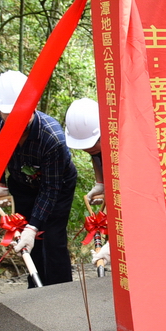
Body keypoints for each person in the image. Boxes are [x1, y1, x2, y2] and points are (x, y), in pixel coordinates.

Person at [0, 70, 78, 287]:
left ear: (33, 106)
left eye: (22, 113)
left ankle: (61, 294)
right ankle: (37, 292)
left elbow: (50, 188)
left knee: (51, 238)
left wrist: (33, 227)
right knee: (27, 239)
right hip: (21, 184)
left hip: (56, 185)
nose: (16, 120)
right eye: (9, 114)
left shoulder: (51, 137)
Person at [63, 96, 111, 266]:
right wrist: (101, 184)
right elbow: (96, 156)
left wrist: (112, 246)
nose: (88, 150)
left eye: (92, 145)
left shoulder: (127, 148)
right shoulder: (98, 145)